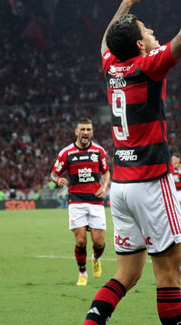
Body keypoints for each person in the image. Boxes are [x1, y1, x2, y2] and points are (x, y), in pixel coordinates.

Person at [83, 0, 181, 325]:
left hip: (121, 189)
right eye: (147, 31)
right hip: (152, 184)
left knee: (128, 274)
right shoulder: (147, 67)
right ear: (140, 46)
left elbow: (105, 43)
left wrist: (125, 3)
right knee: (169, 275)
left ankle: (92, 322)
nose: (153, 32)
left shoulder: (112, 68)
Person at [51, 118, 110, 287]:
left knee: (99, 242)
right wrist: (58, 180)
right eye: (82, 129)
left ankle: (96, 258)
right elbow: (54, 173)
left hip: (96, 201)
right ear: (76, 132)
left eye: (88, 129)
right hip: (76, 201)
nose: (85, 132)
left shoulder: (99, 151)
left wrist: (104, 186)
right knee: (81, 241)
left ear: (92, 132)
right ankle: (82, 273)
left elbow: (106, 172)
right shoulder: (66, 153)